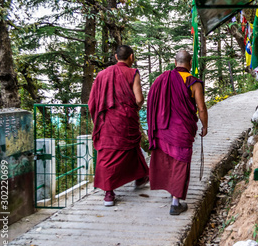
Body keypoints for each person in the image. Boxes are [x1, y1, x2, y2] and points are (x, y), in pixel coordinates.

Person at [147, 50, 208, 215]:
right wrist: (205, 126)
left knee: (168, 158)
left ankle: (172, 192)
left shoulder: (161, 79)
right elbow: (201, 108)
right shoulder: (193, 82)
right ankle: (175, 202)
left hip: (163, 127)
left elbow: (151, 101)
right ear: (190, 64)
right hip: (182, 129)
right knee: (181, 161)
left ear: (175, 62)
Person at [88, 45, 149, 207]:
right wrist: (134, 108)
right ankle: (140, 177)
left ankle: (109, 194)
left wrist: (97, 119)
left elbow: (92, 102)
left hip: (107, 122)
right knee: (131, 147)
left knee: (107, 154)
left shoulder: (101, 75)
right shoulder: (133, 73)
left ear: (116, 57)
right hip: (126, 120)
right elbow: (138, 99)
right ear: (131, 57)